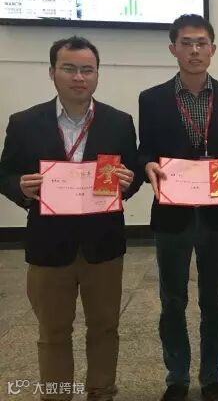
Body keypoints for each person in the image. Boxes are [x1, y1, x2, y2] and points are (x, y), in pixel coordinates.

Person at [0, 36, 141, 401]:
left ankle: (101, 392)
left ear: (97, 75)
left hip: (103, 245)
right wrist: (19, 187)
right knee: (53, 332)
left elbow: (133, 172)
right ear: (52, 72)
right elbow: (5, 173)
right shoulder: (24, 122)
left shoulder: (119, 122)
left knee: (105, 328)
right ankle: (57, 395)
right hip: (49, 244)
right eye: (69, 69)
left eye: (87, 70)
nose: (79, 77)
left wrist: (128, 182)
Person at [138, 14, 218, 401]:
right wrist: (147, 165)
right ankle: (177, 378)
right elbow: (145, 150)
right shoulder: (152, 98)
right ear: (173, 49)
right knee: (172, 300)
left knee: (213, 300)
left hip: (216, 212)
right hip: (172, 212)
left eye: (202, 43)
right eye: (186, 43)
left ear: (213, 49)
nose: (195, 50)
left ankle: (212, 377)